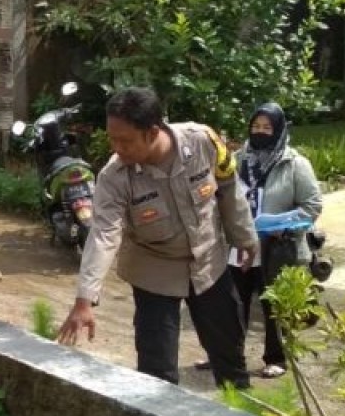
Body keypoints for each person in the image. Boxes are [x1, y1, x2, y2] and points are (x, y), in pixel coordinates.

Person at [57, 87, 260, 389]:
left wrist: (245, 238)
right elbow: (104, 235)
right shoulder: (114, 177)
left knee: (230, 356)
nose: (116, 148)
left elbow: (228, 187)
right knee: (157, 372)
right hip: (154, 271)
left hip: (209, 263)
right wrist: (85, 299)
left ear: (153, 132)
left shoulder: (202, 141)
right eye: (111, 138)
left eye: (124, 140)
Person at [224, 102, 323, 379]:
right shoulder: (238, 159)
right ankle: (228, 356)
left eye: (267, 128)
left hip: (277, 248)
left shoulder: (294, 164)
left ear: (279, 130)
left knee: (273, 306)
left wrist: (284, 224)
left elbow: (312, 204)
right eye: (256, 126)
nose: (260, 132)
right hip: (238, 245)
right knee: (232, 304)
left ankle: (276, 358)